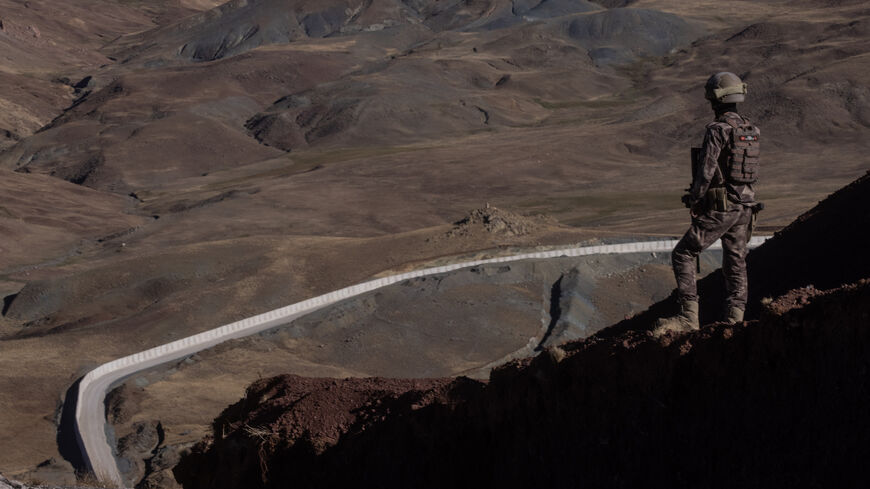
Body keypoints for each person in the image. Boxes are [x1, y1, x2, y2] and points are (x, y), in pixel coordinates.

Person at [653, 72, 761, 336]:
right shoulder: (750, 129)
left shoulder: (718, 130)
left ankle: (688, 317)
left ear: (715, 98)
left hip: (722, 207)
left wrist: (696, 198)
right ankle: (735, 319)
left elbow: (707, 171)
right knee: (736, 261)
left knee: (683, 253)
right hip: (746, 208)